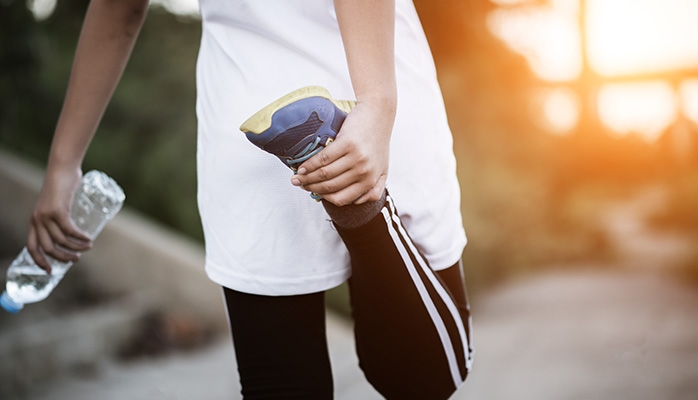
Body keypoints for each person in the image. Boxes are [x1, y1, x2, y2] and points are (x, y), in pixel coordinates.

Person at [27, 0, 473, 398]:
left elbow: (117, 7)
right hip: (369, 87)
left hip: (259, 114)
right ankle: (354, 199)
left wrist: (64, 163)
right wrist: (376, 103)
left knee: (292, 385)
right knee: (422, 379)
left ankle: (347, 195)